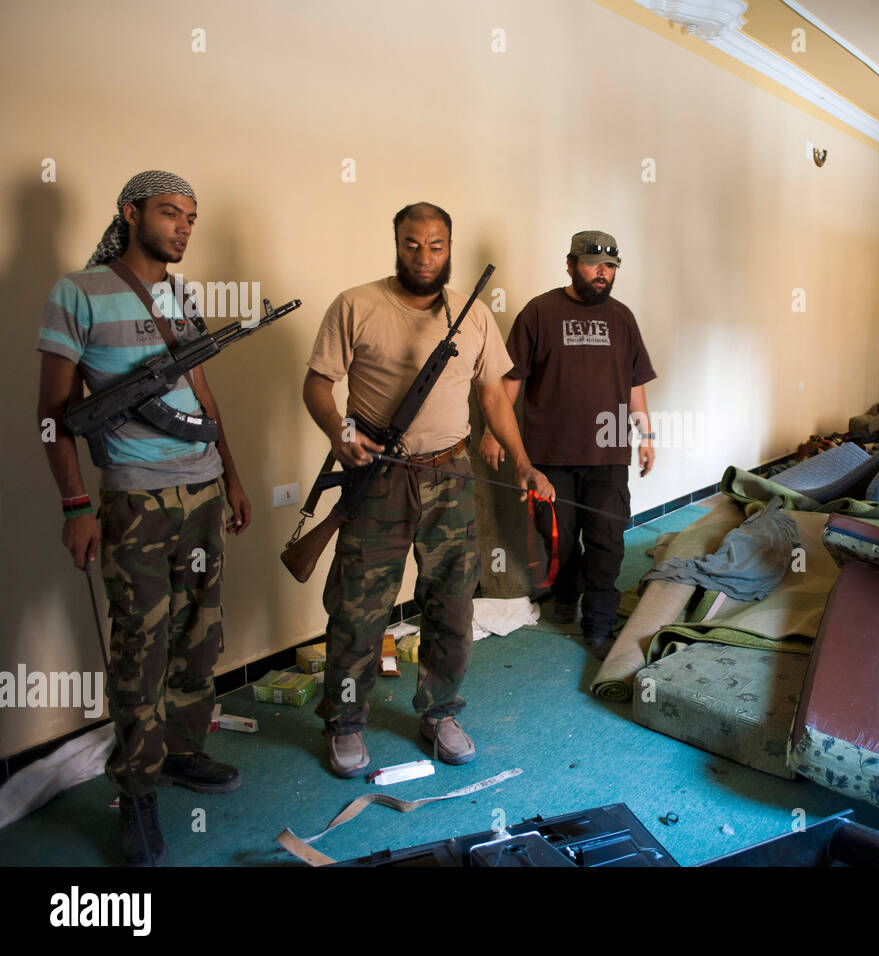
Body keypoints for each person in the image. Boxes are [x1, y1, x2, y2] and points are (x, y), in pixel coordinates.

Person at [36, 170, 251, 865]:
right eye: (169, 214)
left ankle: (183, 749)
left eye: (191, 216)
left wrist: (234, 475)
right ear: (131, 213)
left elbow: (201, 389)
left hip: (203, 490)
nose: (184, 227)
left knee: (199, 636)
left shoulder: (181, 294)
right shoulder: (78, 291)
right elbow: (52, 413)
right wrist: (74, 504)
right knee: (141, 649)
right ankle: (137, 794)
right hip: (134, 500)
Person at [303, 202, 552, 778]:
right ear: (396, 243)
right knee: (359, 610)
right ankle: (344, 722)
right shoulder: (356, 304)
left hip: (451, 474)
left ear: (450, 247)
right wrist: (341, 432)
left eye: (435, 245)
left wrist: (522, 463)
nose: (424, 255)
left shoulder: (472, 317)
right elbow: (318, 383)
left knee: (452, 604)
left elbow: (493, 396)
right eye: (412, 244)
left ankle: (439, 712)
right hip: (380, 477)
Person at [480, 230, 656, 659]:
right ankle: (565, 591)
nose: (603, 273)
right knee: (558, 538)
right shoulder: (539, 313)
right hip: (550, 455)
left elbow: (634, 382)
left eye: (610, 266)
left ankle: (598, 625)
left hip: (609, 452)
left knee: (607, 540)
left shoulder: (622, 317)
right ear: (571, 264)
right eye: (594, 264)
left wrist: (646, 434)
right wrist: (491, 430)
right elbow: (511, 379)